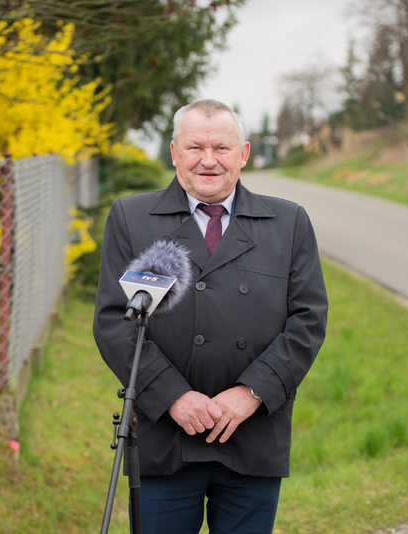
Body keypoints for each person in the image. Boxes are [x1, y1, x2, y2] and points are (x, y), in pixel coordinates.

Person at [93, 99, 328, 534]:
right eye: (195, 147)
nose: (208, 160)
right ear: (174, 153)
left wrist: (252, 392)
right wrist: (174, 398)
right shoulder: (132, 218)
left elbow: (308, 320)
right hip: (166, 438)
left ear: (243, 154)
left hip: (253, 435)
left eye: (221, 148)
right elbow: (114, 321)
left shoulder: (289, 222)